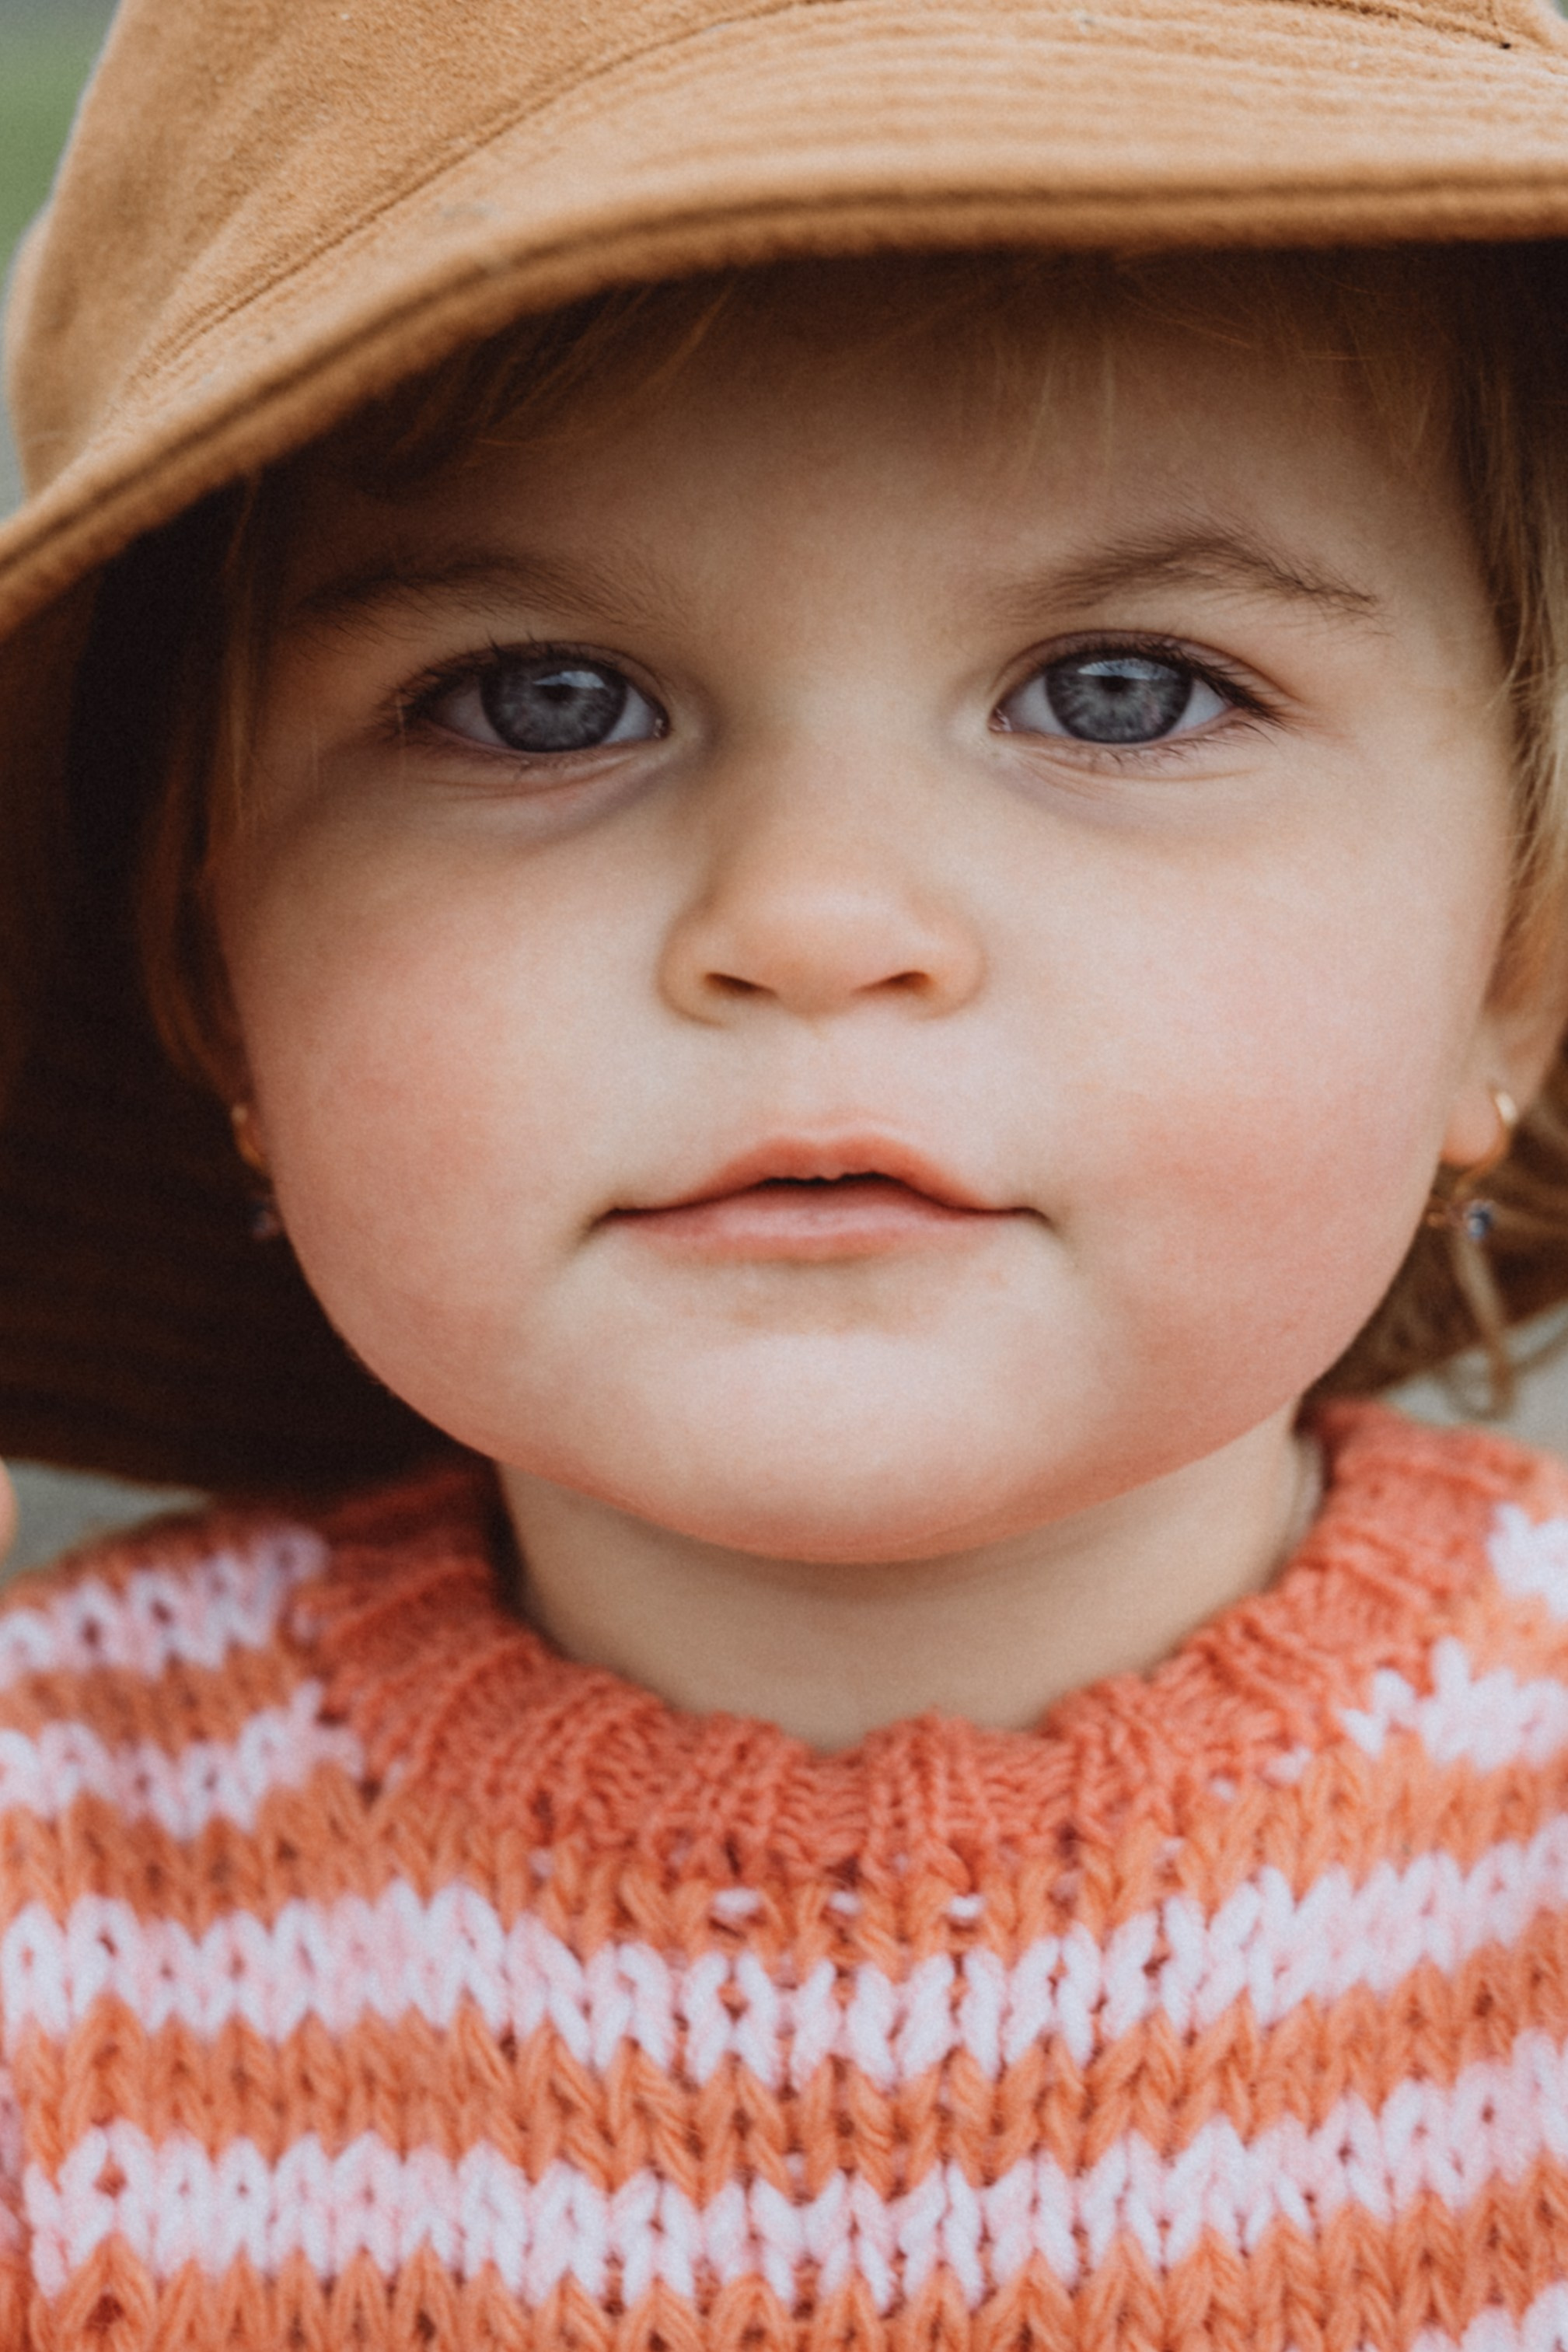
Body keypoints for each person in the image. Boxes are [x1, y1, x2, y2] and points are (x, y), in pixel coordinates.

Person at [2, 0, 1568, 2344]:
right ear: (213, 966)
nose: (815, 916)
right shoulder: (58, 1906)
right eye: (544, 699)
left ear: (1513, 978)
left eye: (1119, 688)